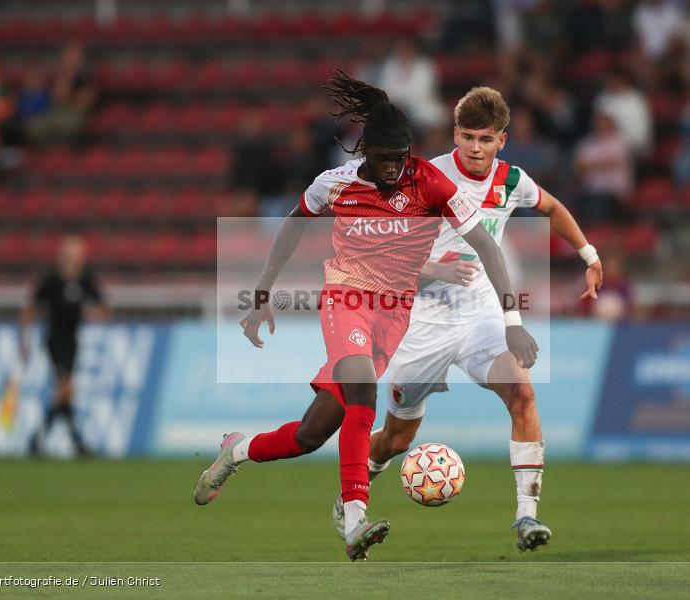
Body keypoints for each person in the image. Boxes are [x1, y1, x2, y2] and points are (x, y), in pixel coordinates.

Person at [192, 71, 538, 561]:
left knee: (311, 435)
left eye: (402, 157)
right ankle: (354, 516)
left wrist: (511, 320)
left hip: (395, 314)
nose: (395, 167)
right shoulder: (334, 185)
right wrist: (262, 293)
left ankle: (237, 449)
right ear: (364, 152)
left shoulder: (432, 184)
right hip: (347, 297)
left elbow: (486, 247)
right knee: (363, 391)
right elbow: (292, 227)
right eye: (384, 158)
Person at [331, 87, 603, 552]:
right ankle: (351, 495)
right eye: (468, 136)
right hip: (419, 322)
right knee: (397, 438)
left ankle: (527, 517)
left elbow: (552, 208)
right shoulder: (424, 177)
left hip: (480, 314)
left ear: (503, 140)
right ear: (455, 134)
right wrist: (433, 271)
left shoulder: (510, 181)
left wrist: (589, 255)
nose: (475, 147)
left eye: (486, 138)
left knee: (521, 392)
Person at [20, 235, 109, 456]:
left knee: (65, 393)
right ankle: (71, 441)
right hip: (54, 340)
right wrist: (25, 339)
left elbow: (104, 309)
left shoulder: (85, 279)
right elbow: (31, 307)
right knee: (65, 389)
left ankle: (45, 440)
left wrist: (88, 312)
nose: (74, 258)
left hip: (72, 341)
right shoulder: (51, 280)